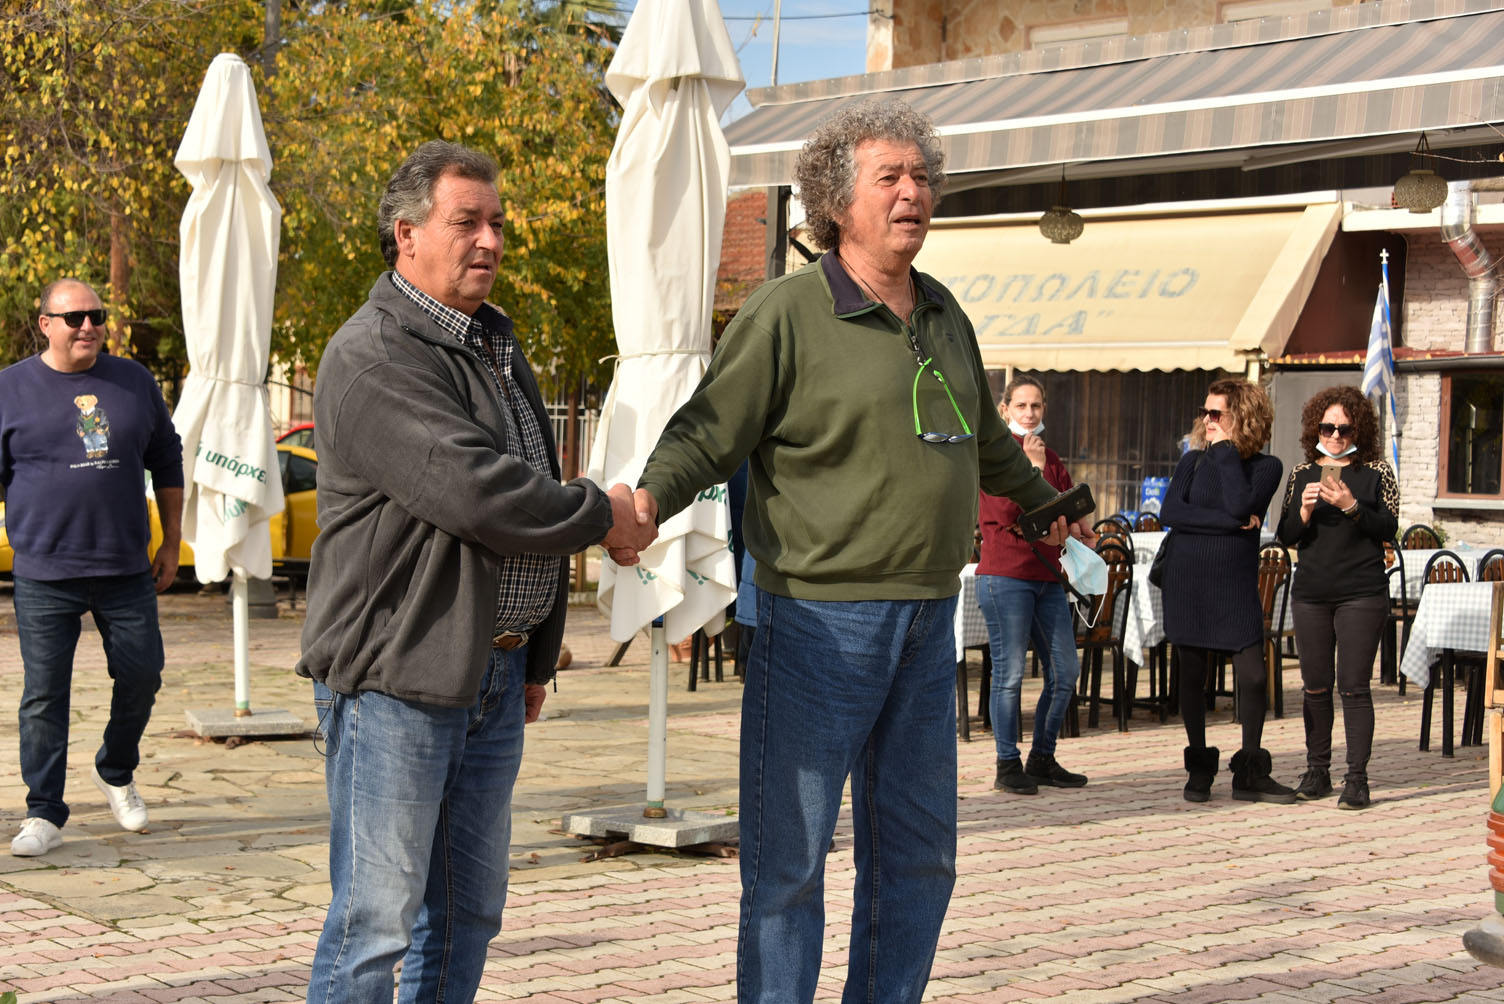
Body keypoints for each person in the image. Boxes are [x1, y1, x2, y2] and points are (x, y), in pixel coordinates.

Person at [628, 100, 1086, 1004]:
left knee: (920, 859)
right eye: (891, 177)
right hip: (814, 621)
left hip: (927, 619)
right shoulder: (787, 312)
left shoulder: (944, 313)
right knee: (789, 866)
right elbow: (708, 431)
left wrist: (1044, 504)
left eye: (922, 177)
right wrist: (647, 500)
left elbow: (987, 442)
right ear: (838, 202)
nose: (913, 192)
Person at [295, 141, 657, 1003]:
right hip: (398, 676)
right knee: (375, 925)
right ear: (407, 234)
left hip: (491, 674)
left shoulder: (493, 341)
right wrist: (603, 513)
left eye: (497, 223)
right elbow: (478, 492)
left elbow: (524, 483)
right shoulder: (374, 354)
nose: (489, 240)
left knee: (467, 914)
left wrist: (531, 652)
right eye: (467, 222)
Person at [0, 278, 183, 857]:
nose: (88, 326)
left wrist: (172, 540)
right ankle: (44, 812)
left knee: (143, 675)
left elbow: (167, 460)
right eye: (74, 317)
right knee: (43, 696)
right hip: (43, 570)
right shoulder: (9, 389)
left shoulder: (133, 381)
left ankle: (115, 769)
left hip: (125, 567)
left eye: (96, 316)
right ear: (45, 324)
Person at [1161, 378, 1288, 803]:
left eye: (1217, 413)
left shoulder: (1266, 467)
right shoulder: (1191, 461)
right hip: (1187, 581)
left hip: (1233, 586)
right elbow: (1171, 512)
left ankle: (1250, 770)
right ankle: (1199, 769)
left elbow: (1239, 502)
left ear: (1244, 417)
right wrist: (1232, 524)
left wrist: (1227, 453)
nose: (1207, 420)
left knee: (1253, 676)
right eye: (1205, 412)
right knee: (1192, 676)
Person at [1277, 386, 1398, 810]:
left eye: (1344, 429)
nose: (1334, 436)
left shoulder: (1377, 473)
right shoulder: (1301, 473)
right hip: (1311, 592)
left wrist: (1351, 506)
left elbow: (1389, 527)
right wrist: (1304, 511)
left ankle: (1357, 779)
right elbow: (1286, 535)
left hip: (1361, 592)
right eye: (1327, 428)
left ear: (1358, 430)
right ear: (1315, 429)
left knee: (1353, 687)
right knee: (1314, 686)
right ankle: (1317, 771)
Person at [977, 374, 1088, 794]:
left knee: (1065, 671)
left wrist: (1079, 524)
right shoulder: (997, 456)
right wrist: (1033, 469)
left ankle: (1042, 757)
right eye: (1021, 405)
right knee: (1009, 675)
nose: (1029, 413)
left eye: (1036, 405)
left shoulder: (1050, 455)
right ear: (1004, 409)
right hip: (1005, 576)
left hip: (1047, 576)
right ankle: (1007, 763)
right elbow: (1011, 515)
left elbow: (1065, 509)